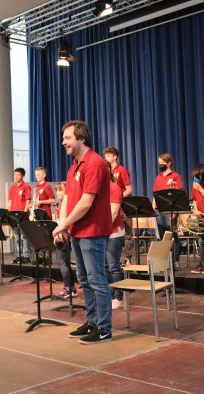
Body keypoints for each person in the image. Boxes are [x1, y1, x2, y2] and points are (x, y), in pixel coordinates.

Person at [53, 120, 113, 345]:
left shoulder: (95, 163)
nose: (63, 142)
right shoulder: (74, 167)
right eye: (63, 138)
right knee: (85, 280)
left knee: (97, 281)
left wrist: (63, 225)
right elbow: (68, 198)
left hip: (93, 232)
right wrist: (64, 224)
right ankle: (92, 322)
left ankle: (104, 329)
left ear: (81, 138)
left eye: (67, 138)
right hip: (77, 232)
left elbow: (86, 202)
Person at [103, 146, 134, 264]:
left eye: (108, 155)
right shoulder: (106, 171)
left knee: (127, 233)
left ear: (115, 157)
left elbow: (129, 189)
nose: (105, 157)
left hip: (124, 205)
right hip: (112, 205)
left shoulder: (121, 170)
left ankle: (128, 258)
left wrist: (119, 197)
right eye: (105, 156)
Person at [152, 153, 184, 267]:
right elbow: (155, 195)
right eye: (159, 163)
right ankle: (165, 261)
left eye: (162, 163)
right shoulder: (158, 178)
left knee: (172, 235)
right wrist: (153, 210)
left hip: (171, 210)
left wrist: (174, 212)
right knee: (162, 237)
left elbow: (179, 194)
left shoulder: (175, 176)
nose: (160, 165)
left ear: (169, 163)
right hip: (158, 210)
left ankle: (175, 261)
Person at [106, 162, 125, 309]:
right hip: (102, 233)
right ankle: (110, 295)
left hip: (114, 233)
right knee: (105, 267)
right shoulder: (99, 189)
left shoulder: (114, 187)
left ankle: (118, 296)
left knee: (113, 266)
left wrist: (102, 229)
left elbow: (113, 213)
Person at [53, 182, 77, 299]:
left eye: (61, 190)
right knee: (64, 262)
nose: (58, 193)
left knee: (62, 261)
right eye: (57, 190)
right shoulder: (60, 204)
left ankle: (67, 288)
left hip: (65, 236)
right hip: (61, 235)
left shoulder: (67, 204)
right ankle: (71, 287)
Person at [7, 167, 32, 264]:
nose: (16, 176)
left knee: (24, 237)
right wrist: (8, 212)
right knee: (17, 237)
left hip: (22, 215)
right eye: (15, 174)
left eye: (18, 175)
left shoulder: (26, 187)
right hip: (13, 216)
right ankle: (18, 256)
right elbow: (10, 202)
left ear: (23, 176)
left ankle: (26, 256)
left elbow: (28, 202)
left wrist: (24, 214)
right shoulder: (13, 187)